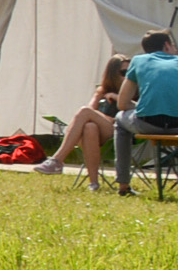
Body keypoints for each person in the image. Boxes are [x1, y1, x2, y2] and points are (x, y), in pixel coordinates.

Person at [35, 55, 127, 188]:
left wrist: (116, 97)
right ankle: (94, 183)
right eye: (123, 72)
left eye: (130, 72)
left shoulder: (133, 89)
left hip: (121, 129)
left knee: (85, 112)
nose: (127, 76)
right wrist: (99, 97)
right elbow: (91, 110)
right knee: (89, 127)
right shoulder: (102, 91)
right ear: (113, 74)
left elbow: (136, 109)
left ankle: (57, 160)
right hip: (99, 132)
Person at [124, 31, 178, 196]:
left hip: (149, 123)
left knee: (119, 120)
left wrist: (141, 106)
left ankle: (123, 184)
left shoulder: (138, 61)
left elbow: (122, 103)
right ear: (166, 45)